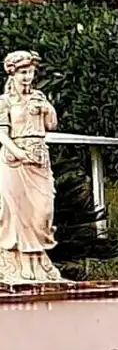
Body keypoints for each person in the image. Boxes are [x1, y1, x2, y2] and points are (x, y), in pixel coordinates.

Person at [0, 49, 61, 285]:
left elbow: (51, 126)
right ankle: (25, 261)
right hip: (15, 159)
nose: (27, 77)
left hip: (39, 158)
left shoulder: (38, 97)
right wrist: (19, 153)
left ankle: (38, 258)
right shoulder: (5, 102)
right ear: (12, 74)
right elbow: (2, 133)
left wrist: (47, 108)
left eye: (30, 72)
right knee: (19, 211)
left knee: (43, 212)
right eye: (22, 72)